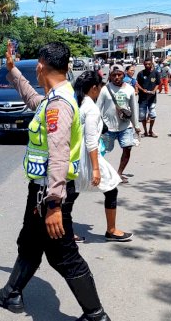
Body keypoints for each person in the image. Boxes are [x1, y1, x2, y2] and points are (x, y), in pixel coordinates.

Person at [0, 40, 112, 321]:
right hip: (42, 191)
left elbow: (58, 154)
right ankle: (12, 293)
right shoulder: (57, 97)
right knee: (29, 242)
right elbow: (34, 102)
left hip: (50, 193)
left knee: (63, 255)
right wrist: (12, 71)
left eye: (36, 67)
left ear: (41, 66)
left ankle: (96, 315)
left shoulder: (59, 106)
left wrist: (54, 204)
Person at [73, 71, 133, 242]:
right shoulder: (90, 108)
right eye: (99, 86)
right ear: (94, 88)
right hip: (87, 157)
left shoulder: (78, 103)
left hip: (78, 155)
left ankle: (66, 231)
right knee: (110, 189)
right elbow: (91, 141)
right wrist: (96, 169)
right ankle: (111, 230)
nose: (101, 89)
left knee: (72, 192)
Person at [97, 65, 141, 183]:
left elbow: (134, 108)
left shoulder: (130, 89)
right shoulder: (105, 89)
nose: (117, 77)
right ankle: (98, 172)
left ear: (123, 75)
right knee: (101, 151)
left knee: (127, 148)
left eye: (119, 74)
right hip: (108, 127)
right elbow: (98, 108)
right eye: (114, 75)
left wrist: (136, 126)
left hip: (125, 126)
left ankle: (119, 173)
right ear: (110, 76)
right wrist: (97, 126)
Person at [136, 58, 160, 138]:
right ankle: (145, 131)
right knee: (142, 115)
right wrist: (142, 90)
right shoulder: (140, 73)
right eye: (146, 64)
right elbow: (137, 84)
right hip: (142, 98)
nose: (147, 65)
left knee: (152, 115)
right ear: (143, 64)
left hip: (152, 98)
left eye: (149, 64)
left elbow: (158, 83)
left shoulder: (156, 73)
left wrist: (154, 91)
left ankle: (150, 130)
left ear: (152, 64)